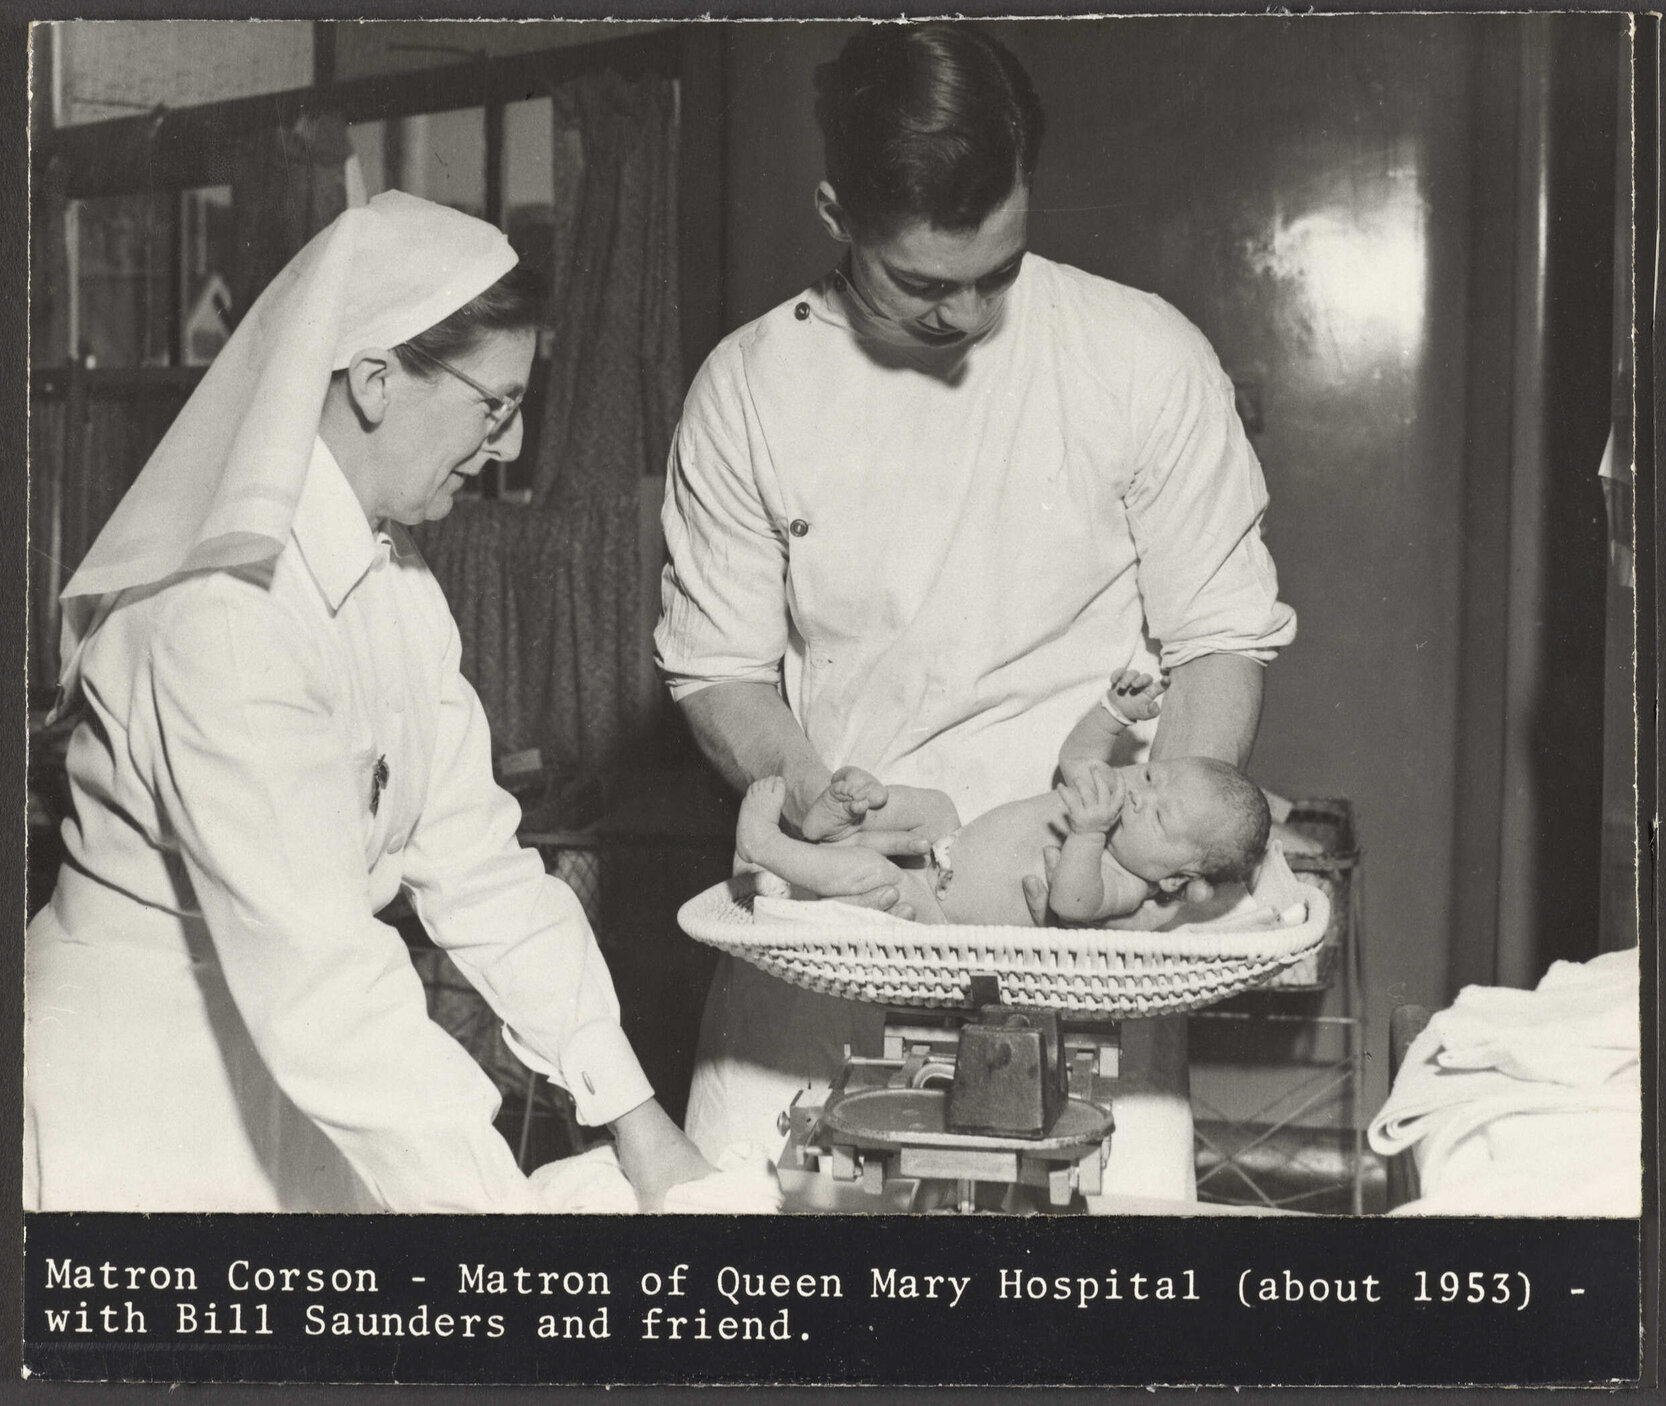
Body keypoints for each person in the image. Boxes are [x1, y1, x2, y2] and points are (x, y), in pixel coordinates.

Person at [24, 191, 766, 1215]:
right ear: (373, 380)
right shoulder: (227, 617)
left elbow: (478, 865)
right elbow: (324, 983)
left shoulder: (395, 580)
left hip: (304, 1056)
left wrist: (638, 1121)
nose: (507, 447)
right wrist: (499, 1212)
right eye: (494, 406)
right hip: (150, 1082)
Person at [656, 24, 1296, 1199]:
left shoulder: (1143, 359)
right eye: (921, 285)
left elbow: (1219, 635)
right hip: (835, 936)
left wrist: (1134, 886)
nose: (966, 319)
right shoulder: (748, 391)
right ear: (836, 211)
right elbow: (719, 669)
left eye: (998, 272)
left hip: (1087, 946)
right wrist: (806, 795)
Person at [734, 669, 1272, 927]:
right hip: (946, 846)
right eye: (1154, 776)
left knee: (879, 878)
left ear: (1176, 878)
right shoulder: (1108, 796)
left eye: (1159, 814)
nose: (1139, 795)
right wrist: (1113, 713)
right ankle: (839, 820)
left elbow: (1071, 902)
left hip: (938, 916)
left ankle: (768, 847)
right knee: (935, 806)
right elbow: (1076, 756)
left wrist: (1088, 834)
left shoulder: (1125, 881)